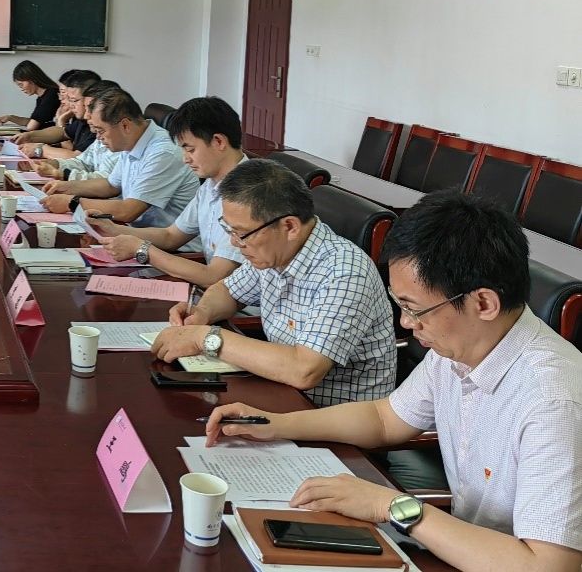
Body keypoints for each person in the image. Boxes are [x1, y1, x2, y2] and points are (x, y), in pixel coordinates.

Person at [204, 191, 582, 572]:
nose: (405, 322)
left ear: (483, 303)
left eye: (414, 309)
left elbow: (549, 566)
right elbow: (385, 419)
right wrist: (276, 424)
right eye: (399, 304)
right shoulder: (458, 348)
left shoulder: (552, 400)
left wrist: (391, 505)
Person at [152, 158, 395, 406]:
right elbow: (228, 290)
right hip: (279, 393)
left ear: (289, 226)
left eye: (241, 233)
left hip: (331, 416)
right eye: (230, 231)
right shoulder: (273, 251)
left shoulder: (345, 273)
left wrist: (206, 338)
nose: (235, 242)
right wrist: (202, 312)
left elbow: (304, 370)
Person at [96, 96, 247, 288]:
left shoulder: (248, 193)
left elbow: (214, 277)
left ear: (218, 141)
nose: (185, 159)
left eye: (190, 149)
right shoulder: (211, 185)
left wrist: (142, 249)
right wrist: (114, 229)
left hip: (229, 298)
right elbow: (171, 236)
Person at [39, 88, 198, 231]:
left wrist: (72, 202)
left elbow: (128, 210)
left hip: (169, 247)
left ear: (125, 125)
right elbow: (111, 185)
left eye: (101, 130)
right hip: (134, 234)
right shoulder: (133, 141)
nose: (98, 138)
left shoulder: (163, 153)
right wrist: (66, 187)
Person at [28, 79, 124, 181]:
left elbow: (107, 182)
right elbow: (83, 163)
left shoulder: (118, 140)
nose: (86, 115)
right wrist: (55, 164)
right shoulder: (99, 134)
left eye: (73, 100)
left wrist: (62, 174)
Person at [16, 69, 101, 159]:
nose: (70, 104)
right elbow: (62, 133)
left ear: (90, 100)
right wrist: (29, 136)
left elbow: (78, 157)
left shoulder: (96, 124)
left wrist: (40, 150)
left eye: (74, 100)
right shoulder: (82, 121)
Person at [0, 59, 60, 131]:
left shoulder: (51, 95)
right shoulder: (43, 96)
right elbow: (34, 121)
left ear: (32, 80)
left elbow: (31, 127)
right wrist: (10, 117)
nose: (21, 88)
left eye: (21, 84)